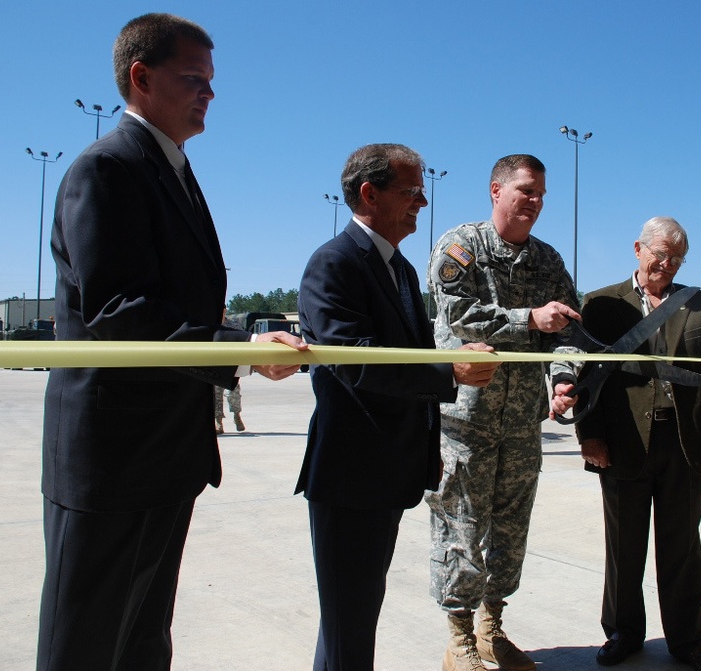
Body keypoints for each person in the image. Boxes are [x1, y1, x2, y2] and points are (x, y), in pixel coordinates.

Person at [39, 14, 307, 671]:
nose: (209, 95)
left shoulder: (173, 170)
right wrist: (240, 347)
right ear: (141, 77)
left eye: (212, 84)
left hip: (163, 457)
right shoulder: (106, 169)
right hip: (111, 461)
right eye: (195, 80)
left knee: (140, 643)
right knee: (85, 645)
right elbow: (118, 310)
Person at [296, 143, 500, 670]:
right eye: (411, 192)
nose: (422, 203)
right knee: (348, 622)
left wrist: (424, 448)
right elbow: (355, 362)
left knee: (356, 616)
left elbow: (410, 360)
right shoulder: (334, 264)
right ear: (369, 194)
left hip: (387, 471)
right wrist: (449, 369)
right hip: (349, 474)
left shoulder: (402, 271)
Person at [550, 217, 701, 670]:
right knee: (624, 546)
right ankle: (624, 633)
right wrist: (592, 437)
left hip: (685, 441)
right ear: (638, 249)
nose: (667, 263)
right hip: (624, 441)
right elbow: (589, 372)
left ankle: (687, 642)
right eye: (660, 253)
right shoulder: (603, 302)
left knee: (681, 547)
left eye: (677, 257)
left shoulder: (699, 301)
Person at [426, 154, 580, 671]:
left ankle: (492, 626)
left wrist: (562, 379)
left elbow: (568, 335)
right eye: (525, 191)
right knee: (460, 527)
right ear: (496, 191)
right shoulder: (461, 245)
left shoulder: (549, 262)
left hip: (521, 422)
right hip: (465, 421)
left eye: (540, 194)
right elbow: (459, 314)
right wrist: (528, 317)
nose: (534, 203)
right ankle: (459, 637)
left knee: (511, 530)